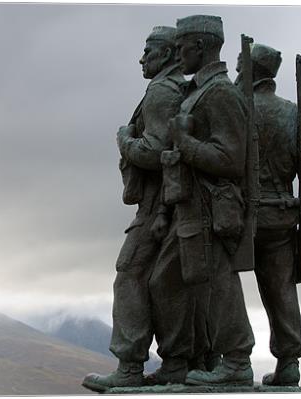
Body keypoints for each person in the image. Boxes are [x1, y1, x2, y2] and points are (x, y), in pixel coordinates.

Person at [149, 14, 255, 386]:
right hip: (187, 205)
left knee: (218, 281)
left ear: (201, 46)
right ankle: (177, 361)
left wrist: (185, 142)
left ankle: (238, 360)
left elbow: (230, 159)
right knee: (165, 280)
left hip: (211, 206)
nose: (178, 54)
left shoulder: (221, 93)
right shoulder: (198, 91)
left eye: (182, 47)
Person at [81, 26, 185, 392]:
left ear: (169, 54)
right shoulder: (177, 89)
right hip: (172, 202)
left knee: (130, 273)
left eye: (149, 51)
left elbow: (156, 152)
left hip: (159, 203)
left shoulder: (160, 91)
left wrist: (125, 140)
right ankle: (177, 362)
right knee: (167, 282)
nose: (142, 58)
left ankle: (129, 366)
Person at [234, 43, 301, 386]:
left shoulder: (236, 109)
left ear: (250, 70)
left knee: (222, 285)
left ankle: (229, 358)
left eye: (240, 66)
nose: (236, 70)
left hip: (238, 217)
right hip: (282, 217)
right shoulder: (296, 115)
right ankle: (289, 361)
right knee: (281, 289)